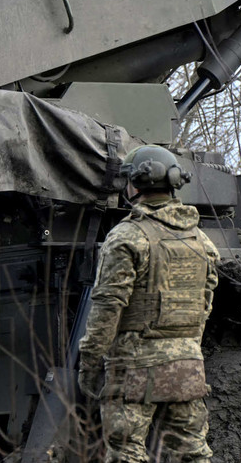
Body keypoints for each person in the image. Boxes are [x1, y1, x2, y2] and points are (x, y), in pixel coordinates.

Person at [77, 145, 219, 463]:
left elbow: (107, 307)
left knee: (126, 452)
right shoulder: (202, 242)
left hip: (133, 368)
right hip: (186, 366)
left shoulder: (127, 237)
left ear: (135, 184)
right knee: (193, 454)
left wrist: (89, 363)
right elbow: (205, 304)